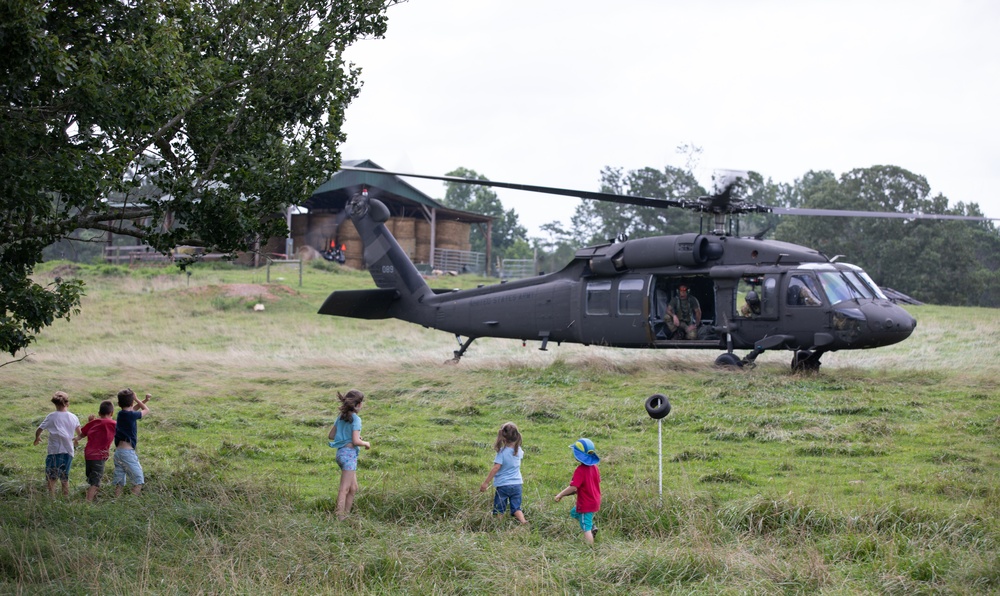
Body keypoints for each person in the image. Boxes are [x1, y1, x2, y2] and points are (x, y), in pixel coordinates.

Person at [328, 389, 371, 520]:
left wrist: (346, 436)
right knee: (344, 489)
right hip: (349, 456)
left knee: (353, 488)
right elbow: (356, 441)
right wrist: (366, 443)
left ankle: (345, 515)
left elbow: (331, 435)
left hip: (341, 454)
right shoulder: (356, 419)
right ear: (358, 404)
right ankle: (340, 517)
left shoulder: (341, 417)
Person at [554, 438, 602, 545]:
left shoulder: (580, 470)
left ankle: (590, 548)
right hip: (595, 500)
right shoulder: (595, 467)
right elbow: (596, 481)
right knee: (574, 513)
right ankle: (592, 527)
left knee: (585, 527)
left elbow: (573, 488)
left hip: (586, 503)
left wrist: (560, 494)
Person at [34, 391, 81, 497]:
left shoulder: (51, 416)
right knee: (65, 477)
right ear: (67, 403)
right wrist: (76, 440)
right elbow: (80, 434)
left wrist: (37, 438)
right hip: (68, 451)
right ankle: (65, 497)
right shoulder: (73, 417)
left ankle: (52, 498)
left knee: (51, 478)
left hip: (54, 451)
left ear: (55, 403)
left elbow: (39, 429)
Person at [479, 422, 527, 524]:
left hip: (503, 485)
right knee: (516, 507)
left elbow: (496, 467)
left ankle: (498, 525)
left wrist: (486, 482)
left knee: (499, 508)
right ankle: (523, 521)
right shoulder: (519, 451)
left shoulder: (501, 452)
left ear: (503, 437)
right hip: (517, 484)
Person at [76, 400, 117, 502]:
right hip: (98, 456)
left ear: (99, 413)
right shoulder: (113, 423)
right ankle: (88, 502)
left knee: (91, 478)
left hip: (88, 454)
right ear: (112, 413)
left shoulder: (94, 422)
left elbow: (82, 434)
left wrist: (76, 439)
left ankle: (93, 498)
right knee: (96, 481)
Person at [112, 388, 151, 497]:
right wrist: (137, 398)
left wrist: (144, 401)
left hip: (118, 453)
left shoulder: (121, 414)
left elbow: (132, 409)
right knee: (139, 479)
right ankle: (131, 502)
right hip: (127, 453)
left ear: (119, 403)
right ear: (132, 401)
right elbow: (146, 410)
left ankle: (117, 502)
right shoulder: (130, 415)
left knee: (120, 481)